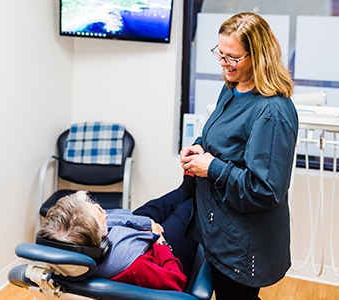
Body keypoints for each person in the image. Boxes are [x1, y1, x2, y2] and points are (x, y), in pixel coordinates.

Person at [180, 12, 298, 300]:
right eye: (220, 54)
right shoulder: (233, 88)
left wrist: (212, 167)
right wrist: (200, 147)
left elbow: (266, 189)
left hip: (245, 241)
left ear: (257, 56)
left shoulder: (272, 112)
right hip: (220, 227)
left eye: (232, 57)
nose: (224, 63)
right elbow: (221, 137)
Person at [37, 175, 197, 292]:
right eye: (100, 213)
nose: (104, 212)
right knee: (187, 210)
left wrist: (147, 223)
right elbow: (176, 281)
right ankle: (198, 194)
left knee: (156, 207)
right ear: (101, 237)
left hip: (129, 236)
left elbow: (112, 218)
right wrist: (160, 241)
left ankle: (185, 189)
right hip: (156, 250)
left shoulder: (73, 238)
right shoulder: (135, 265)